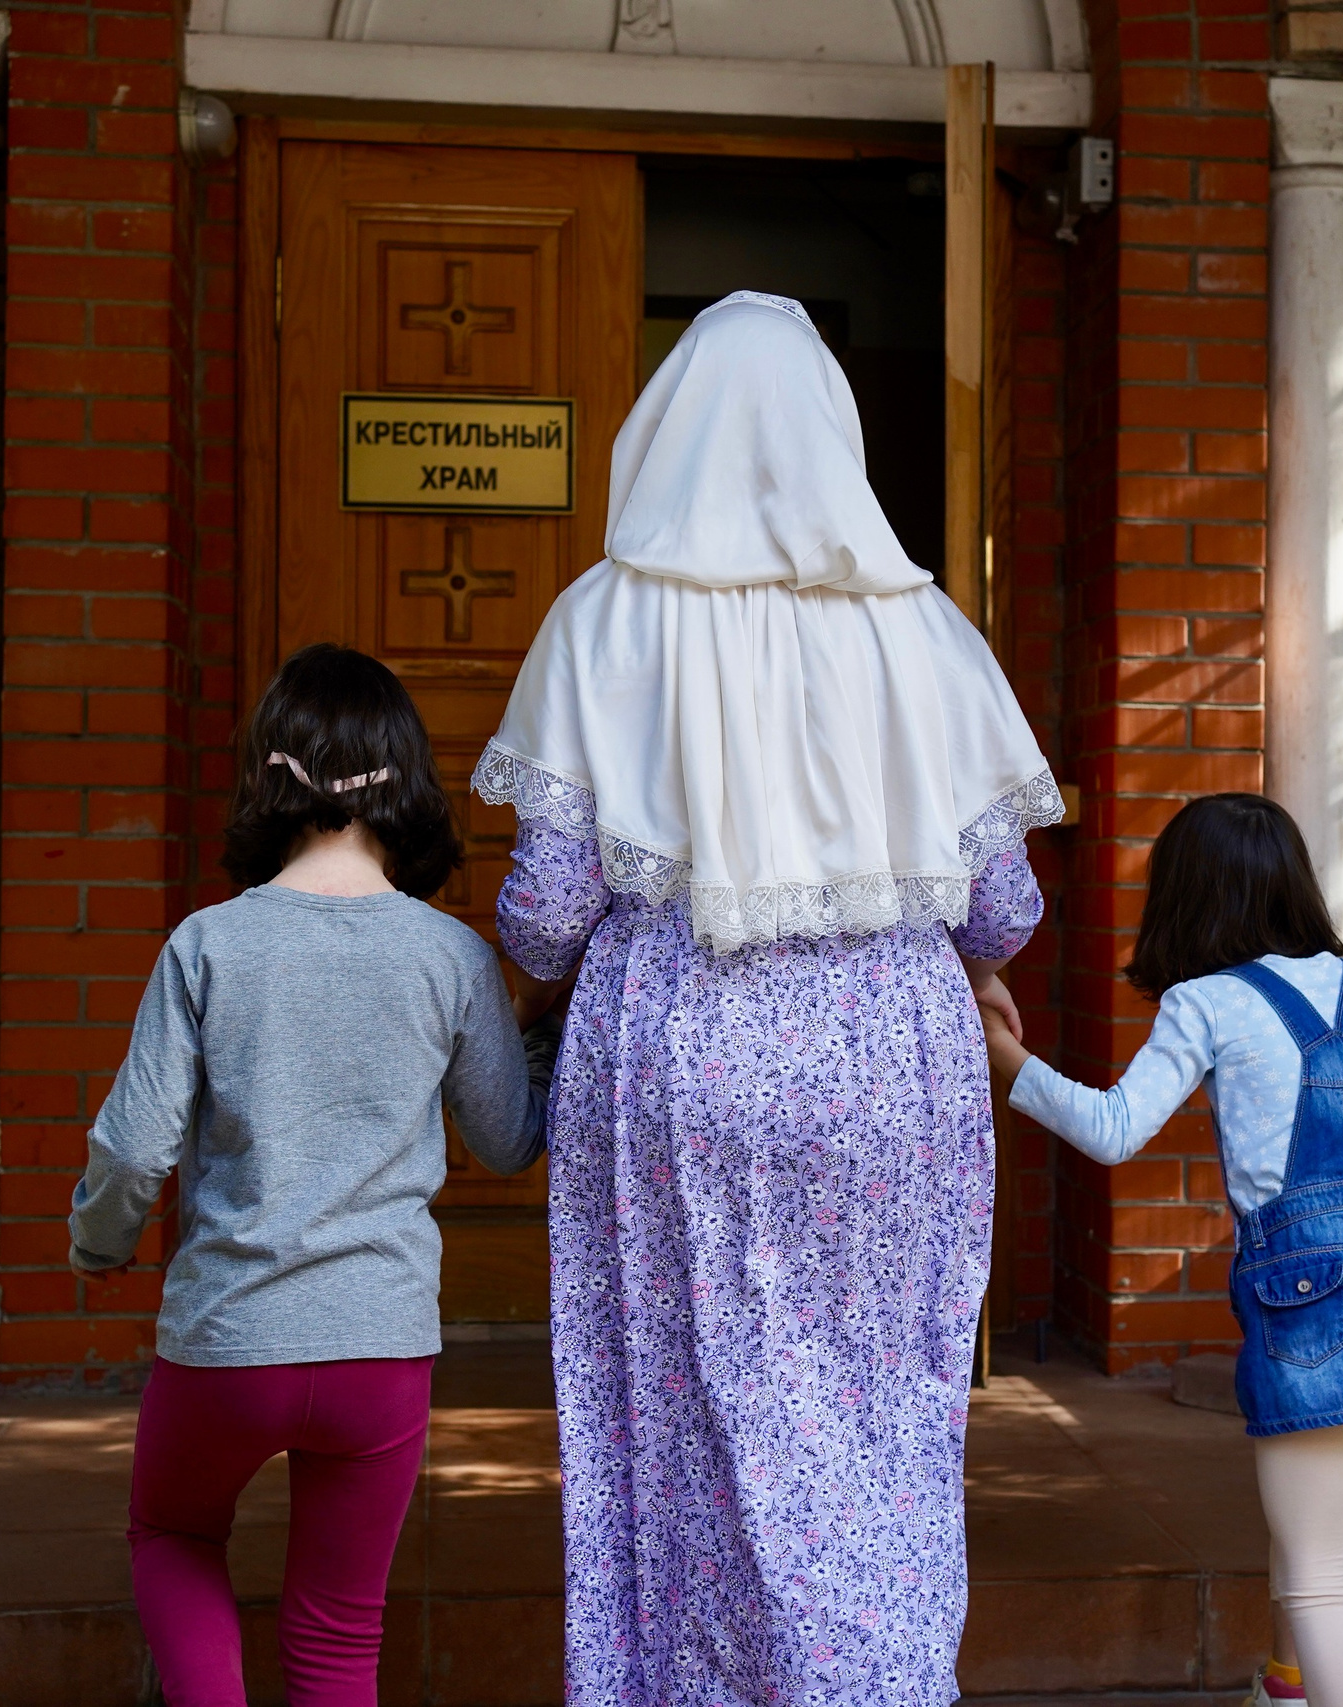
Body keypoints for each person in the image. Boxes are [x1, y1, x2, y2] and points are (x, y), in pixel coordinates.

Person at [472, 290, 1063, 1707]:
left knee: (682, 1412)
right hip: (893, 1063)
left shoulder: (602, 617)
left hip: (684, 1057)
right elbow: (1006, 908)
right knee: (877, 1404)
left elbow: (548, 913)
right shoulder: (925, 630)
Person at [973, 793, 1343, 1707]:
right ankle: (1287, 1690)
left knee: (1321, 1578)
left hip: (1313, 1305)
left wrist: (1006, 1060)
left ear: (1184, 900)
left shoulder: (1206, 1002)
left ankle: (1312, 1687)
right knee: (1315, 1513)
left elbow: (1113, 1127)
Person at [68, 644, 557, 1707]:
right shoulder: (451, 958)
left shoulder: (208, 946)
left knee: (172, 1533)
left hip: (228, 1337)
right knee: (339, 1631)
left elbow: (134, 1146)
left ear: (265, 774)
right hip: (380, 1348)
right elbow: (510, 1141)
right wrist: (540, 1025)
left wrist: (98, 1243)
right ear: (409, 781)